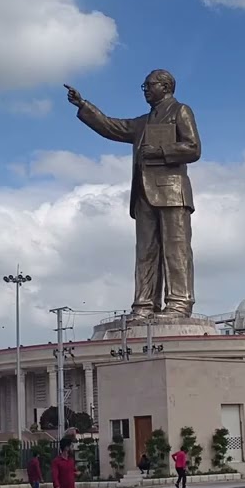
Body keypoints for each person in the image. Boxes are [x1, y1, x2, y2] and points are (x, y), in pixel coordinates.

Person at [66, 72, 202, 319]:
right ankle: (144, 304)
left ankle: (179, 303)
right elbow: (111, 127)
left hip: (172, 192)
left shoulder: (180, 111)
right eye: (144, 86)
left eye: (149, 85)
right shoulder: (141, 123)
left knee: (176, 250)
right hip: (143, 193)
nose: (145, 90)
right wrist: (83, 105)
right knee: (145, 251)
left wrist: (159, 152)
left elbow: (193, 148)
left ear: (166, 86)